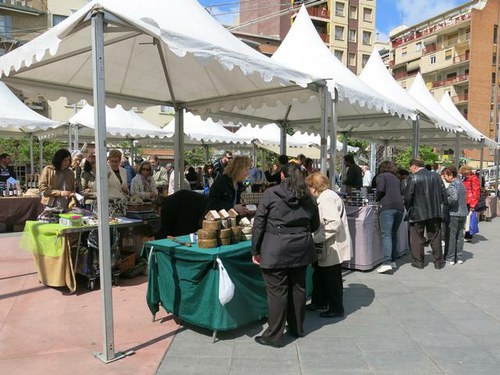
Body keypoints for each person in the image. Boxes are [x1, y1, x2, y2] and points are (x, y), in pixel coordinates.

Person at [252, 163, 320, 347]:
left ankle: (273, 335)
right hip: (301, 247)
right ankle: (297, 328)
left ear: (282, 175)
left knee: (277, 292)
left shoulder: (271, 193)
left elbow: (259, 223)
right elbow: (315, 225)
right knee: (298, 288)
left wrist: (255, 250)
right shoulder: (308, 196)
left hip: (276, 247)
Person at [306, 172, 351, 317]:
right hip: (327, 244)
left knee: (332, 277)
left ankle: (336, 308)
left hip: (331, 244)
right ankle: (319, 301)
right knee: (320, 273)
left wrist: (316, 238)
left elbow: (333, 223)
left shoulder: (326, 199)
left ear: (313, 188)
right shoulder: (327, 196)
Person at [404, 158, 446, 269]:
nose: (410, 170)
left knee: (417, 237)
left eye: (410, 168)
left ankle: (418, 262)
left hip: (417, 212)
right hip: (434, 212)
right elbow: (443, 194)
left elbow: (408, 196)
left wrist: (409, 208)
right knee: (435, 237)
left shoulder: (413, 177)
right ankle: (439, 262)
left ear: (414, 166)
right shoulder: (436, 176)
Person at [375, 161, 404, 273]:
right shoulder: (396, 178)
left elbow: (381, 190)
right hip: (399, 207)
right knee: (393, 234)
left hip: (387, 207)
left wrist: (377, 198)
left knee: (386, 234)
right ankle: (392, 260)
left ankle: (386, 262)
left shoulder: (381, 176)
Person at [442, 166, 467, 265]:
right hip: (463, 213)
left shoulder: (453, 185)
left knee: (451, 236)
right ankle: (459, 257)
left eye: (445, 176)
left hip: (454, 213)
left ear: (451, 175)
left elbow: (453, 198)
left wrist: (445, 201)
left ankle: (450, 258)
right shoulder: (461, 184)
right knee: (460, 236)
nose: (444, 178)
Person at [459, 165, 480, 242]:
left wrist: (472, 204)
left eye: (463, 173)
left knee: (469, 219)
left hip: (469, 201)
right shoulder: (467, 178)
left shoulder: (473, 179)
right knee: (467, 218)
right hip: (466, 200)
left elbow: (476, 192)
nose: (462, 175)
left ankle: (468, 235)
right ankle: (468, 234)